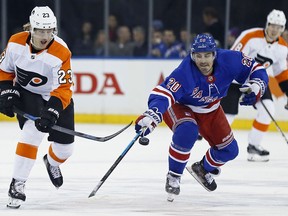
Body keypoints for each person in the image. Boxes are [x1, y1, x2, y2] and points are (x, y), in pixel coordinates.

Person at [135, 33, 268, 201]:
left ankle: (203, 169)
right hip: (181, 107)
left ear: (215, 54)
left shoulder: (230, 60)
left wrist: (257, 85)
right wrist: (153, 113)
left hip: (211, 109)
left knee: (230, 150)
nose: (203, 60)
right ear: (192, 56)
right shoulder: (185, 72)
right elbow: (164, 92)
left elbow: (256, 68)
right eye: (198, 56)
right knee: (188, 130)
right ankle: (174, 176)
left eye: (207, 55)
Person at [0, 6, 74, 208]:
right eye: (41, 31)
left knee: (66, 149)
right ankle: (17, 183)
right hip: (28, 93)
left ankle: (51, 162)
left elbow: (64, 87)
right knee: (31, 133)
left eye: (49, 31)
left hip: (55, 96)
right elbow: (4, 71)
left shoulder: (61, 51)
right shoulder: (15, 43)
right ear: (31, 29)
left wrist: (53, 110)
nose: (45, 36)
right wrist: (6, 91)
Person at [220, 9, 288, 162]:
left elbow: (281, 73)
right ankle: (218, 144)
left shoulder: (282, 48)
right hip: (235, 79)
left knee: (268, 108)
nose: (274, 29)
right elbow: (232, 57)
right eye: (272, 25)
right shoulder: (250, 36)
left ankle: (254, 145)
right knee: (228, 116)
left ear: (282, 29)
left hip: (258, 81)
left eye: (278, 27)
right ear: (267, 24)